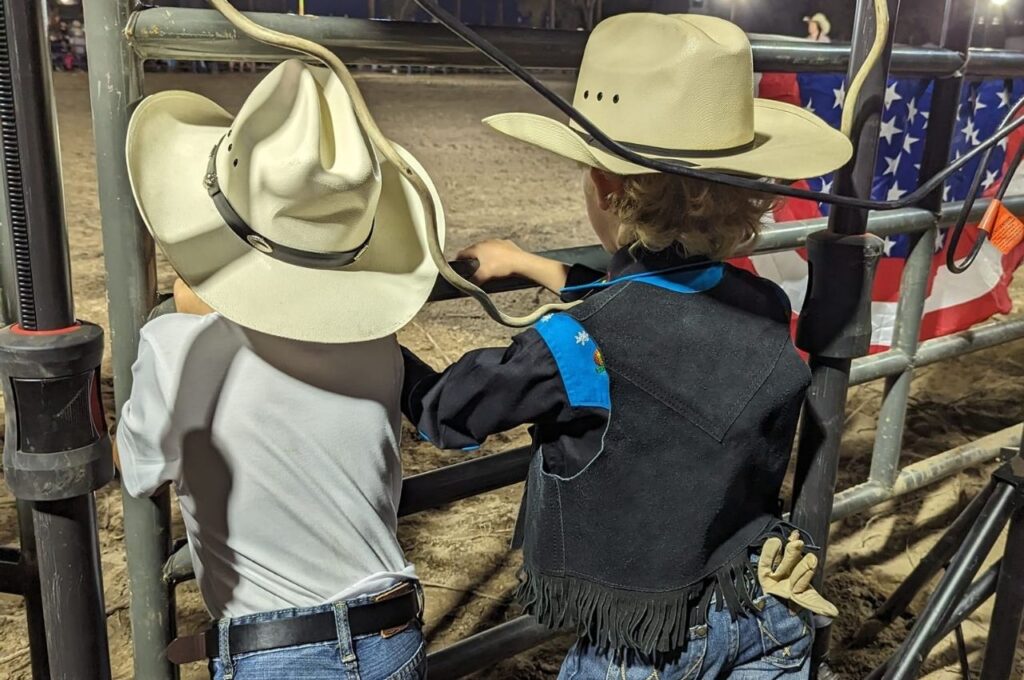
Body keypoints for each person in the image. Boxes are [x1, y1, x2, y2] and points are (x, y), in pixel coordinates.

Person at [401, 14, 850, 679]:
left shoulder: (572, 345)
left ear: (608, 188)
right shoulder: (763, 305)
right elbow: (661, 309)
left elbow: (447, 412)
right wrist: (534, 265)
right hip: (762, 613)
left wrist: (375, 339)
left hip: (648, 646)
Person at [116, 58, 444, 679]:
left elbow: (137, 468)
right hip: (392, 634)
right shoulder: (377, 343)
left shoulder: (179, 346)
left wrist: (190, 308)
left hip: (279, 652)